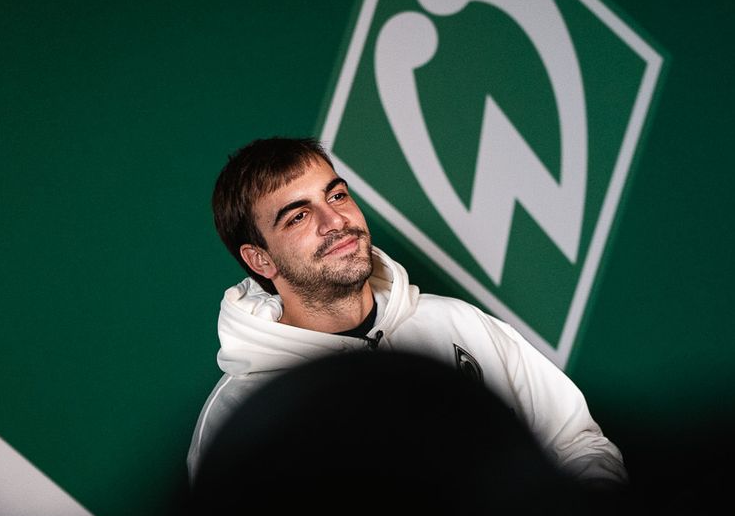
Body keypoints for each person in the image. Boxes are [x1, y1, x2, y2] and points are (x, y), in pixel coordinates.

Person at [188, 136, 625, 483]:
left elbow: (577, 444)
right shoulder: (242, 416)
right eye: (298, 217)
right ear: (260, 260)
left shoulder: (457, 323)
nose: (335, 221)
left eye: (336, 196)